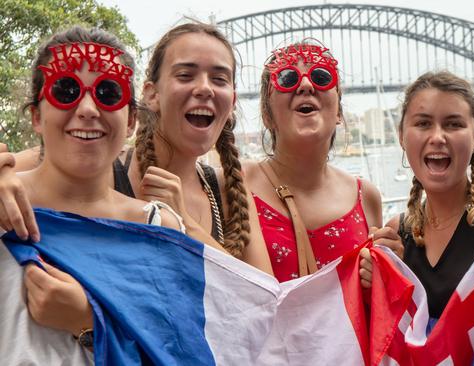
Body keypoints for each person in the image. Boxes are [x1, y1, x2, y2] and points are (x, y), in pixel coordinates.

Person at [0, 22, 272, 272]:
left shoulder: (226, 191)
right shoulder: (91, 161)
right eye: (186, 75)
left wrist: (184, 225)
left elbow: (260, 304)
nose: (204, 89)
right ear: (151, 95)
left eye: (108, 93)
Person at [0, 26, 189, 363]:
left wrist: (87, 322)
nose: (87, 108)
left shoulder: (158, 228)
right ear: (36, 117)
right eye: (66, 89)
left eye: (108, 92)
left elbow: (180, 353)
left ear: (131, 121)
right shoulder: (3, 209)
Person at [361, 71, 474, 319]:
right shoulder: (396, 234)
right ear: (401, 138)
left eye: (453, 124)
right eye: (423, 124)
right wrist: (382, 280)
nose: (438, 137)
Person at [242, 41, 389, 281]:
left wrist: (388, 269)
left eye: (321, 77)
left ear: (339, 112)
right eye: (288, 78)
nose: (306, 84)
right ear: (266, 115)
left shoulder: (367, 198)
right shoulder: (236, 184)